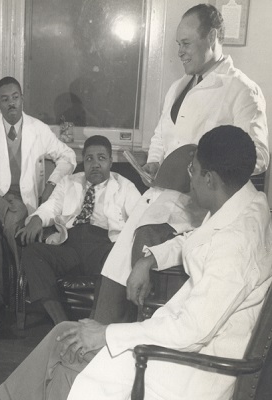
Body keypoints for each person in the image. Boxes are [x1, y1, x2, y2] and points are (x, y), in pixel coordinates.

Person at [0, 125, 272, 400]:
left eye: (193, 171)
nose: (190, 181)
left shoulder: (236, 247)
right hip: (181, 345)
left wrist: (107, 333)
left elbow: (189, 331)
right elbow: (195, 238)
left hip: (190, 369)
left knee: (69, 363)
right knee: (65, 333)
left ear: (210, 179)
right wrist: (149, 259)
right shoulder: (246, 204)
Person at [93, 3, 269, 322]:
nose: (180, 53)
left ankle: (137, 338)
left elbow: (259, 156)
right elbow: (162, 136)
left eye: (186, 44)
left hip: (200, 205)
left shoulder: (242, 90)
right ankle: (103, 340)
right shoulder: (178, 87)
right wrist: (155, 161)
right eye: (177, 45)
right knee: (116, 271)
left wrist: (203, 155)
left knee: (143, 246)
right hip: (162, 195)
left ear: (212, 37)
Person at [0, 76, 77, 309]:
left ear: (22, 98)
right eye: (5, 100)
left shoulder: (37, 128)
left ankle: (23, 292)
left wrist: (52, 183)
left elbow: (68, 157)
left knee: (15, 220)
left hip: (20, 198)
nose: (11, 104)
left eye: (15, 97)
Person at [15, 135, 141, 325]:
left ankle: (92, 324)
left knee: (116, 262)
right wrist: (37, 219)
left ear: (110, 162)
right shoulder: (69, 182)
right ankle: (61, 323)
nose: (95, 164)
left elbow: (139, 220)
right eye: (89, 159)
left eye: (101, 158)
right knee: (33, 253)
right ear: (84, 161)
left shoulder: (125, 186)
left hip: (104, 247)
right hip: (70, 245)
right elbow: (52, 206)